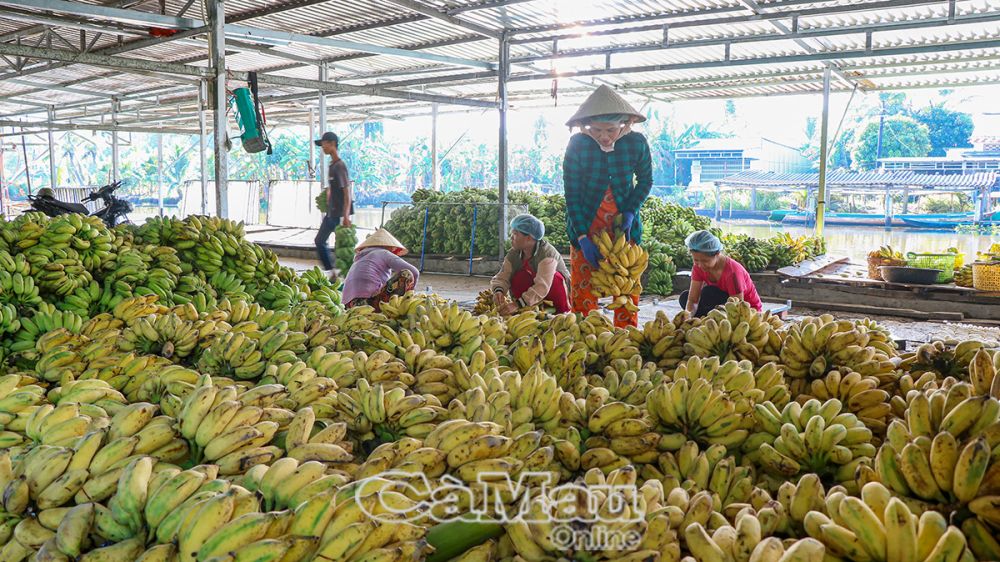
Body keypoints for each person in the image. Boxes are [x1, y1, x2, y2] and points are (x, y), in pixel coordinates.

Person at [563, 85, 652, 328]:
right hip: (586, 225)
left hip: (624, 229)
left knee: (625, 288)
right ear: (585, 126)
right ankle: (587, 337)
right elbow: (571, 194)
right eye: (597, 130)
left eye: (611, 130)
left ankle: (625, 338)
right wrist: (581, 236)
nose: (604, 136)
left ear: (626, 124)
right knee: (583, 292)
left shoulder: (636, 144)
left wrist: (632, 210)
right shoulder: (577, 146)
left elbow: (646, 181)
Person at [490, 214, 571, 315]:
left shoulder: (547, 254)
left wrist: (517, 304)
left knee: (555, 277)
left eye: (515, 234)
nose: (511, 237)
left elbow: (542, 286)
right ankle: (526, 309)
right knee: (518, 276)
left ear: (528, 238)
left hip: (554, 295)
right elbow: (503, 275)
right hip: (530, 300)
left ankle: (561, 311)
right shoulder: (514, 253)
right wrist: (499, 291)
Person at [680, 230, 762, 317]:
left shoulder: (733, 272)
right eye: (696, 260)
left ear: (717, 254)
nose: (700, 265)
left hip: (746, 310)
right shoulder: (698, 267)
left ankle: (712, 319)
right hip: (720, 304)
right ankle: (708, 319)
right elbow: (693, 299)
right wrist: (687, 317)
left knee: (709, 292)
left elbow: (737, 307)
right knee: (685, 298)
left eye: (705, 261)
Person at [342, 228, 420, 311]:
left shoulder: (359, 259)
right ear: (388, 246)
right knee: (406, 273)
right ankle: (404, 305)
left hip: (348, 306)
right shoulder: (384, 253)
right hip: (370, 303)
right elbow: (414, 272)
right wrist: (411, 295)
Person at [314, 131, 353, 280]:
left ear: (332, 144)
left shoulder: (340, 166)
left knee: (340, 248)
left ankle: (337, 274)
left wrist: (346, 216)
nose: (322, 147)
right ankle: (333, 273)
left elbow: (347, 192)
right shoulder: (332, 165)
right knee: (322, 242)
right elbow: (335, 188)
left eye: (323, 144)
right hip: (332, 212)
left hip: (338, 215)